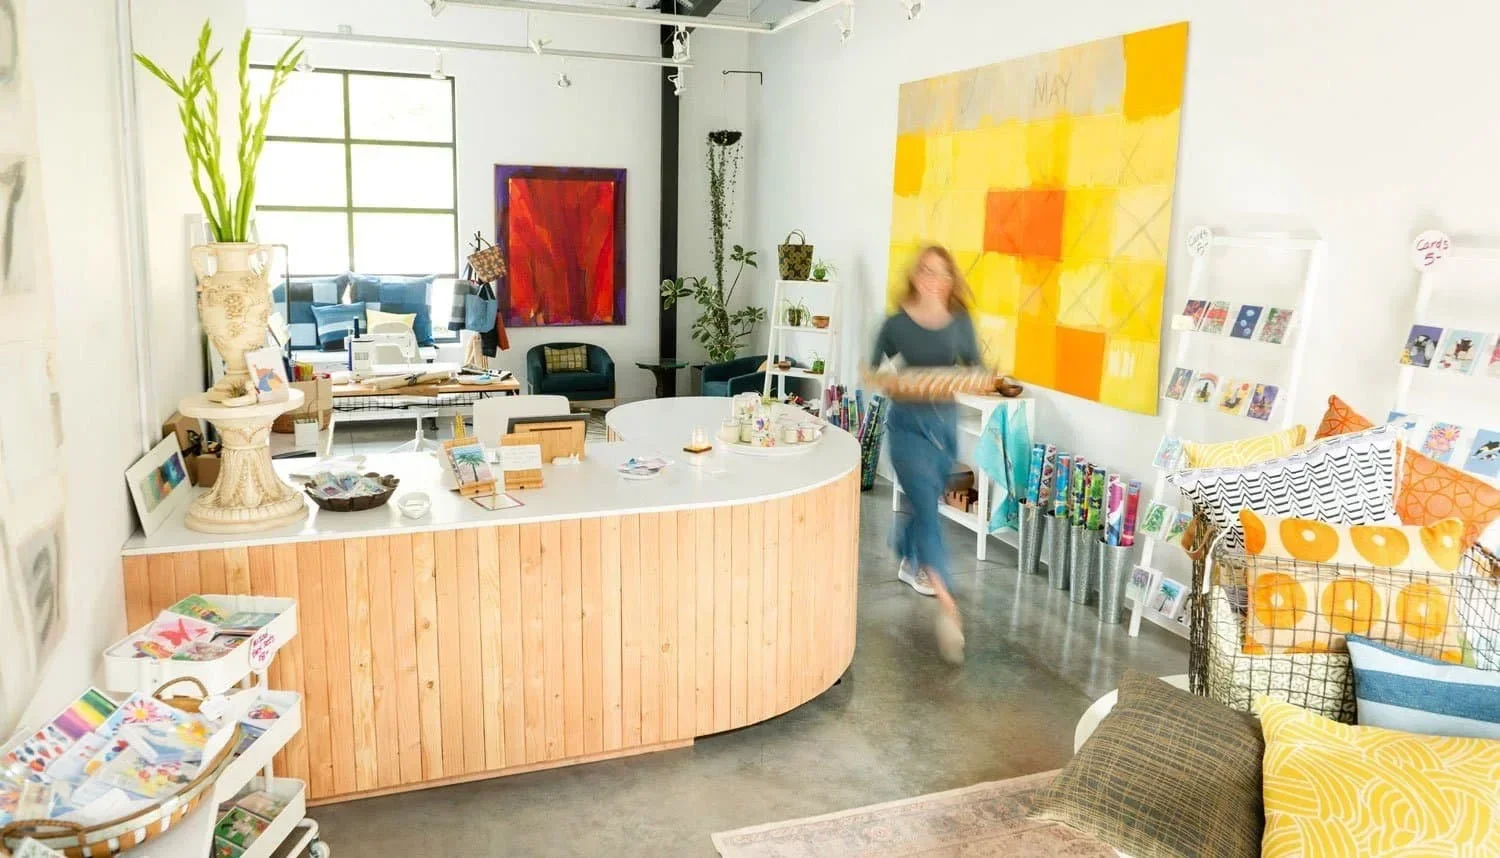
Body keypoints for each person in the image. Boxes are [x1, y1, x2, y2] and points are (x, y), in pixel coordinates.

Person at [869, 245, 980, 664]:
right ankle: (949, 608)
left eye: (944, 273)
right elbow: (874, 370)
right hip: (907, 429)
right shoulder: (896, 324)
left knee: (923, 505)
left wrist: (976, 380)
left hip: (943, 428)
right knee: (929, 512)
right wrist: (898, 382)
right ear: (916, 276)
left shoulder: (960, 323)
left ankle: (904, 548)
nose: (936, 279)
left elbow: (973, 368)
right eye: (928, 271)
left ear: (950, 280)